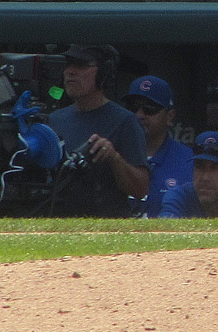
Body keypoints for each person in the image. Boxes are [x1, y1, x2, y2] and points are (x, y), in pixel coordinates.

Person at [44, 43, 150, 217]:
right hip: (61, 224)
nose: (70, 71)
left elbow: (140, 189)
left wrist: (114, 158)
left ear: (103, 74)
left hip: (105, 226)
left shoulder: (125, 121)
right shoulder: (55, 120)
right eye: (68, 64)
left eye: (80, 65)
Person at [120, 75, 193, 219]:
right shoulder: (113, 154)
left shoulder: (189, 161)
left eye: (149, 109)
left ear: (170, 116)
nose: (139, 115)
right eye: (133, 108)